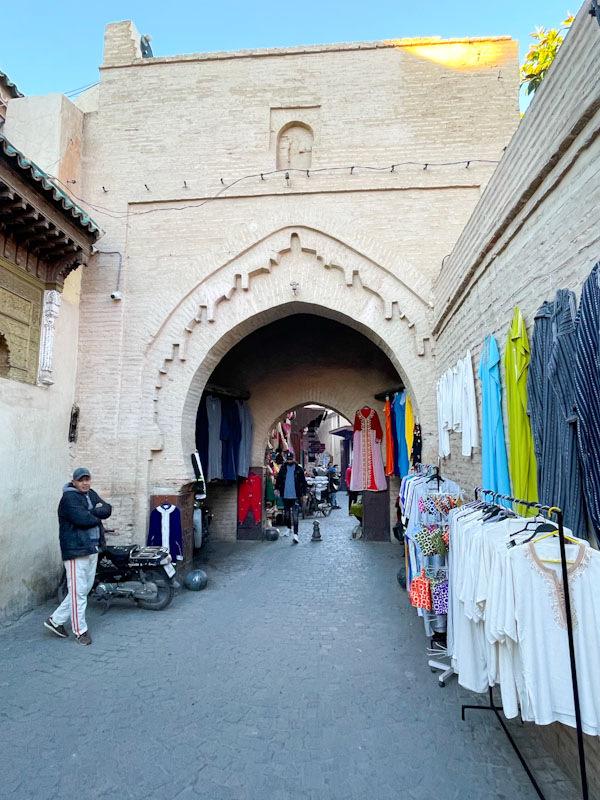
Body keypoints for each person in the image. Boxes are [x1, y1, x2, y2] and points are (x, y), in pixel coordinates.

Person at [44, 468, 112, 646]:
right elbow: (83, 520)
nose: (85, 483)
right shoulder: (69, 498)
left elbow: (107, 509)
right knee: (78, 592)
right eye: (81, 480)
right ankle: (80, 631)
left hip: (92, 548)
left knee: (82, 589)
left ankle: (55, 621)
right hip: (76, 550)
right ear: (73, 482)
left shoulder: (91, 494)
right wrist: (95, 513)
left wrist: (93, 512)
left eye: (87, 479)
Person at [274, 451, 308, 544]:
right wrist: (277, 488)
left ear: (294, 459)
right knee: (287, 514)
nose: (289, 461)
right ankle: (289, 528)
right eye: (288, 459)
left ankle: (296, 534)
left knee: (296, 515)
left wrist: (304, 494)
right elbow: (279, 479)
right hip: (285, 495)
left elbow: (303, 482)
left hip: (296, 495)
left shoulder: (298, 469)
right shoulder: (283, 468)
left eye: (291, 459)